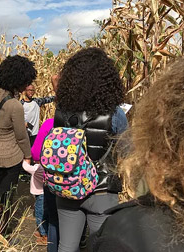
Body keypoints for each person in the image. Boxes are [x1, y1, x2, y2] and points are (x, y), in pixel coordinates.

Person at [88, 59, 184, 252]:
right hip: (103, 185)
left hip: (68, 180)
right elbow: (125, 149)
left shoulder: (124, 232)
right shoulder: (117, 115)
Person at [53, 47, 128, 252]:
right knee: (100, 246)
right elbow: (127, 152)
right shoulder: (115, 114)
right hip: (101, 191)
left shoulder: (61, 111)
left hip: (67, 185)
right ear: (107, 81)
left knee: (67, 246)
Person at [0, 55, 37, 233]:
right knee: (7, 194)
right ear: (18, 80)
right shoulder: (14, 105)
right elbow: (21, 136)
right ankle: (2, 229)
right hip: (10, 156)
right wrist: (28, 155)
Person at [31, 118, 60, 251]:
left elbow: (36, 153)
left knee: (54, 218)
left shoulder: (50, 124)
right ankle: (82, 239)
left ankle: (49, 238)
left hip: (53, 180)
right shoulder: (90, 121)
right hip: (81, 183)